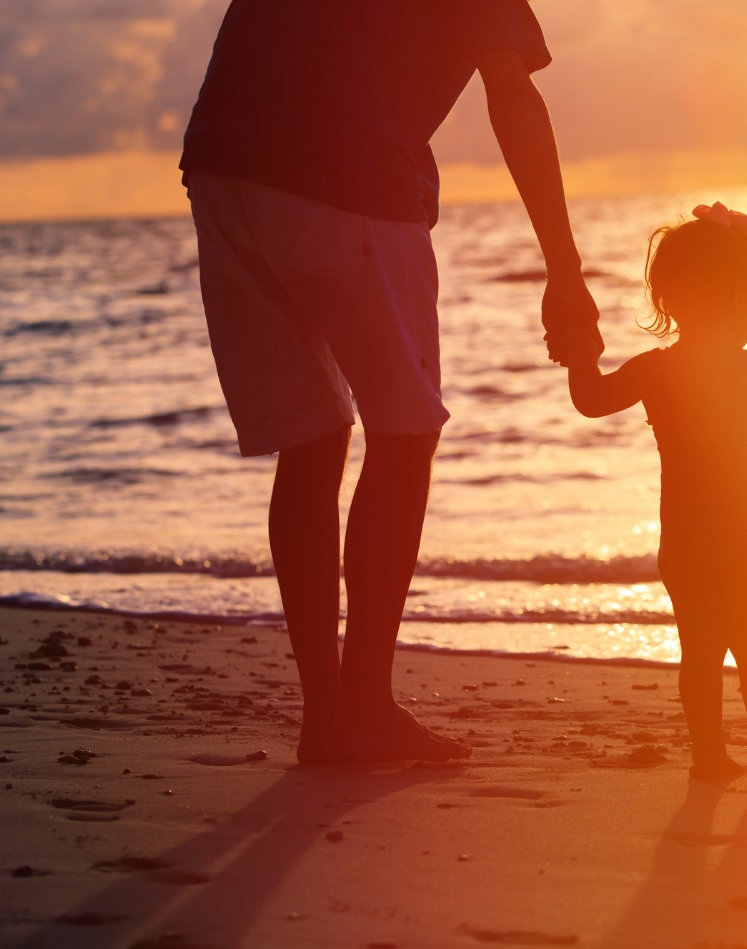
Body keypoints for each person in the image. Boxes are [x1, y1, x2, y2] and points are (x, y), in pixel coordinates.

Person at [179, 1, 601, 765]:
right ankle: (365, 708)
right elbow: (511, 93)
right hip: (347, 170)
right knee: (404, 432)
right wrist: (564, 271)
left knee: (312, 437)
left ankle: (327, 719)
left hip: (221, 166)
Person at [566, 203, 747, 780]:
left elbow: (590, 399)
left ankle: (711, 758)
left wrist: (580, 353)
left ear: (669, 298)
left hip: (690, 546)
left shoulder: (657, 369)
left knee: (701, 655)